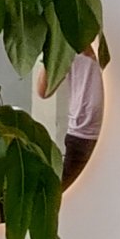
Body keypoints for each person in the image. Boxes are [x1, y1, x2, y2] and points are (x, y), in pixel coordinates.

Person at [36, 50, 104, 189]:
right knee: (70, 195)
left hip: (117, 132)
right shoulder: (68, 40)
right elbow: (44, 90)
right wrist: (53, 51)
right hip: (81, 134)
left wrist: (97, 53)